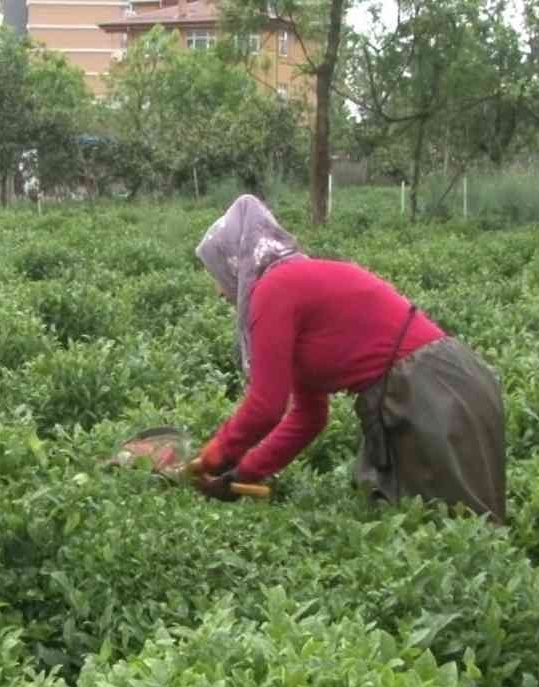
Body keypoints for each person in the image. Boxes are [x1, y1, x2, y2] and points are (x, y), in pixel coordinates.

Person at [187, 195, 507, 523]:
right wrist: (244, 473)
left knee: (451, 528)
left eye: (216, 272)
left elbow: (266, 406)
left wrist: (210, 458)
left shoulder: (275, 289)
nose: (218, 289)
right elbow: (308, 418)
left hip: (431, 392)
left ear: (234, 261)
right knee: (424, 525)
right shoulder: (294, 286)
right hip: (446, 383)